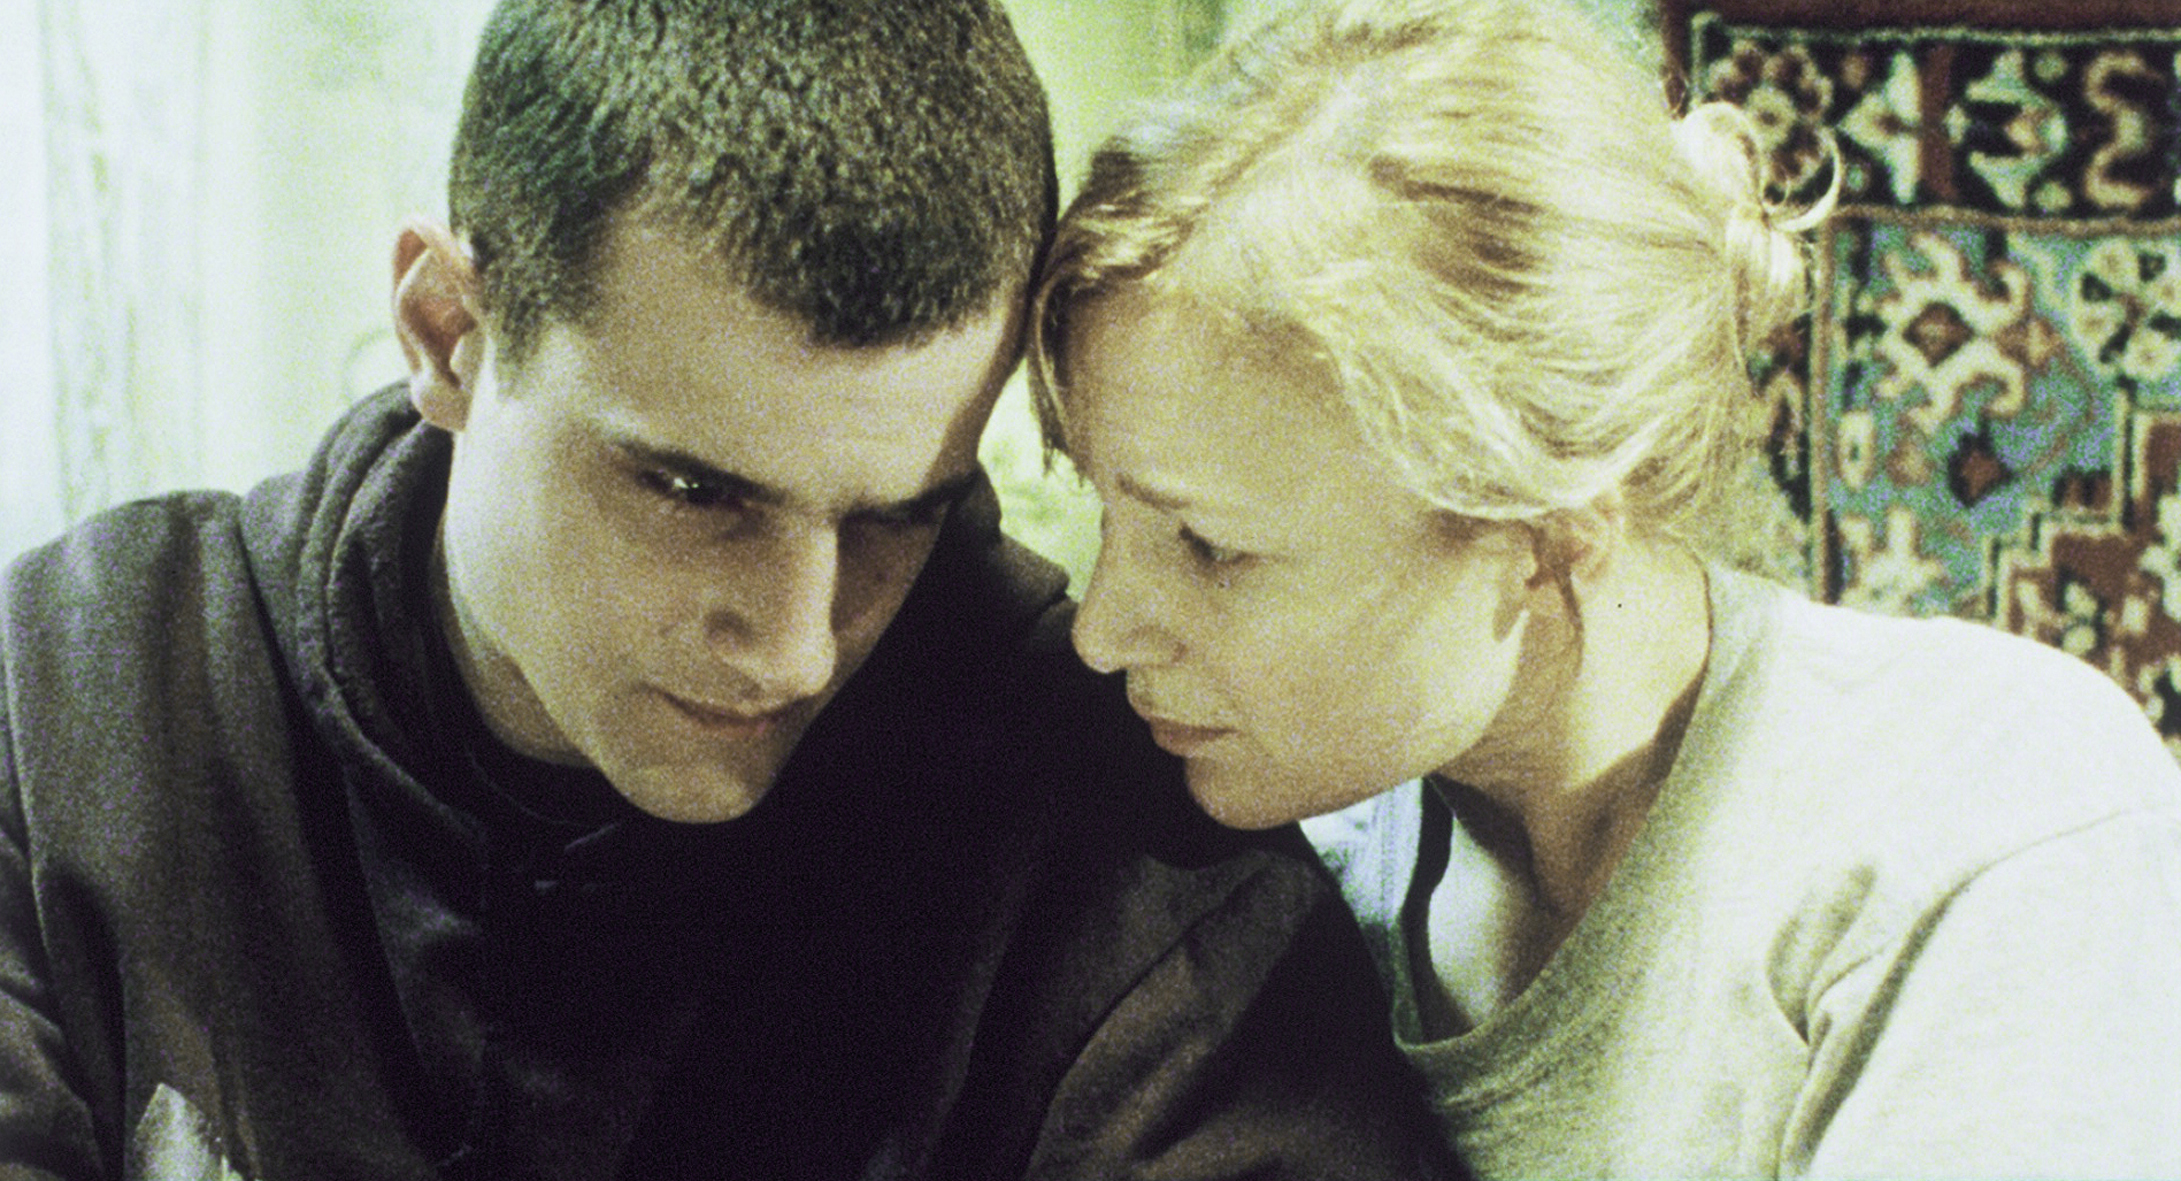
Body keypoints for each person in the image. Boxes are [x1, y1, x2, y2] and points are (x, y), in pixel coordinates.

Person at [0, 2, 1461, 1178]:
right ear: (448, 334)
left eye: (899, 517)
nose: (795, 645)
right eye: (694, 493)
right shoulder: (64, 702)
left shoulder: (1138, 884)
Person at [1027, 0, 2181, 1175]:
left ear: (1548, 527)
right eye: (1105, 506)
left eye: (1208, 546)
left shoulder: (1992, 831)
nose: (1101, 630)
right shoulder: (1274, 873)